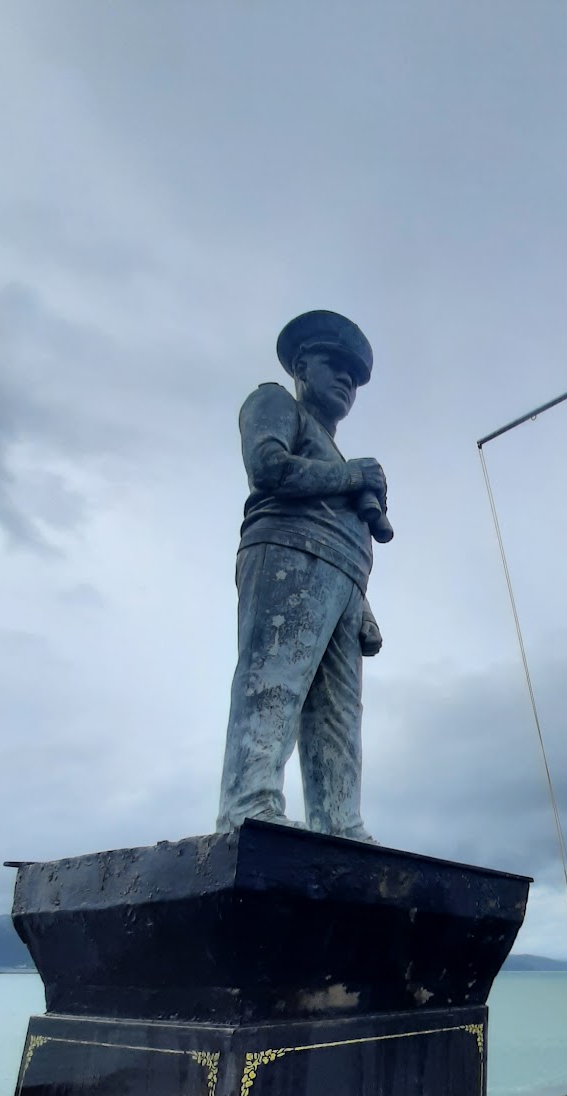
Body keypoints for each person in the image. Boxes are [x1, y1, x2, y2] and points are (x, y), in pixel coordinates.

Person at [216, 310, 392, 842]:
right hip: (287, 557)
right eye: (334, 365)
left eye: (354, 377)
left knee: (339, 718)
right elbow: (267, 468)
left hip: (343, 582)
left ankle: (341, 822)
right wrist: (353, 475)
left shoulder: (336, 451)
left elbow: (345, 530)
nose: (345, 380)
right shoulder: (274, 402)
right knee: (273, 686)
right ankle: (249, 804)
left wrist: (360, 603)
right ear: (301, 365)